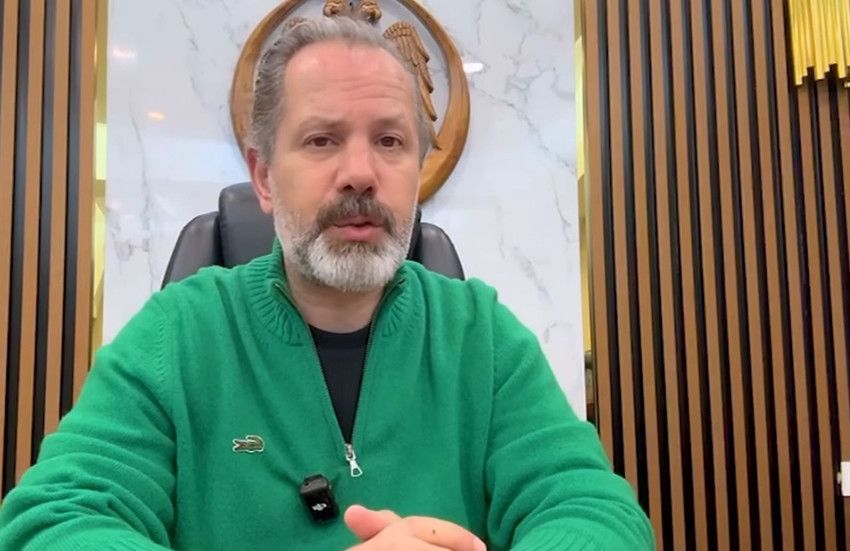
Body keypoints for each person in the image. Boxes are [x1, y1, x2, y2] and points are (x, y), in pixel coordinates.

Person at [0, 16, 653, 550]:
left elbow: (595, 512)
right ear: (263, 177)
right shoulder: (179, 335)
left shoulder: (481, 338)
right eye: (321, 140)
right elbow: (53, 521)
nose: (361, 173)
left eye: (390, 141)